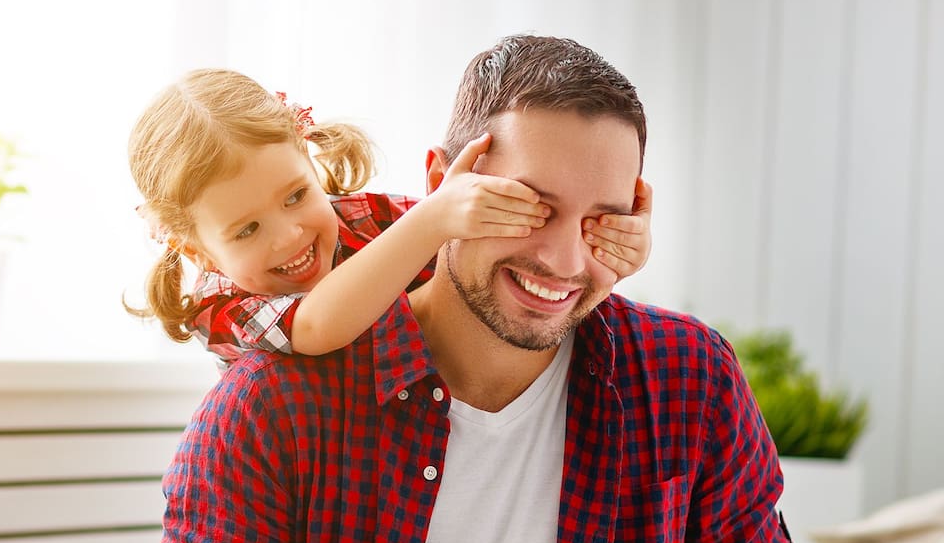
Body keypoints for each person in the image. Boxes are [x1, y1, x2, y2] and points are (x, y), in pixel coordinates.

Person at [127, 36, 810, 543]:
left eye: (600, 221)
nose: (564, 261)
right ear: (442, 186)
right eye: (528, 208)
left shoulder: (687, 374)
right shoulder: (271, 405)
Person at [126, 68, 652, 366]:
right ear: (197, 250)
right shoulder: (221, 306)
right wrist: (432, 219)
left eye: (294, 196)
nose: (289, 234)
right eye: (246, 230)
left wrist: (605, 240)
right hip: (321, 460)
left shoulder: (363, 219)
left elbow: (475, 250)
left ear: (309, 159)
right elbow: (314, 325)